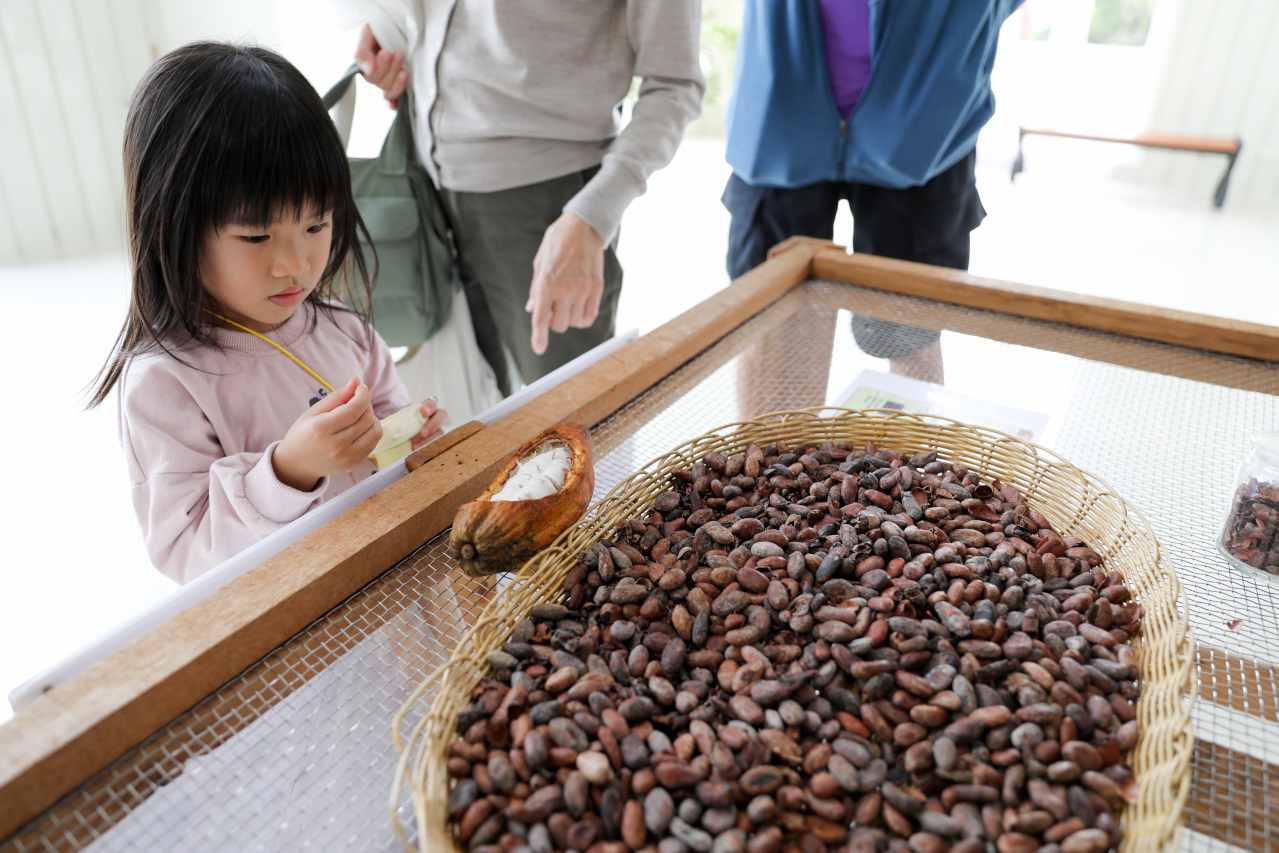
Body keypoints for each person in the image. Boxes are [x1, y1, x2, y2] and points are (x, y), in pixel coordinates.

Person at [87, 42, 448, 584]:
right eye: (257, 234)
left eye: (316, 224)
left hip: (383, 587)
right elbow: (186, 550)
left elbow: (388, 428)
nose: (297, 263)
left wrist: (411, 441)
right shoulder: (165, 382)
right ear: (176, 227)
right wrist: (288, 472)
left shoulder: (342, 329)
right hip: (294, 628)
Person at [332, 0, 705, 396]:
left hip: (548, 206)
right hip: (427, 186)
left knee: (575, 423)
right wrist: (397, 36)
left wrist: (593, 216)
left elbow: (675, 84)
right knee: (479, 422)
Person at [723, 0, 1025, 385]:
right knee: (774, 331)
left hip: (925, 132)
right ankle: (774, 444)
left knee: (909, 334)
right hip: (781, 118)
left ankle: (914, 442)